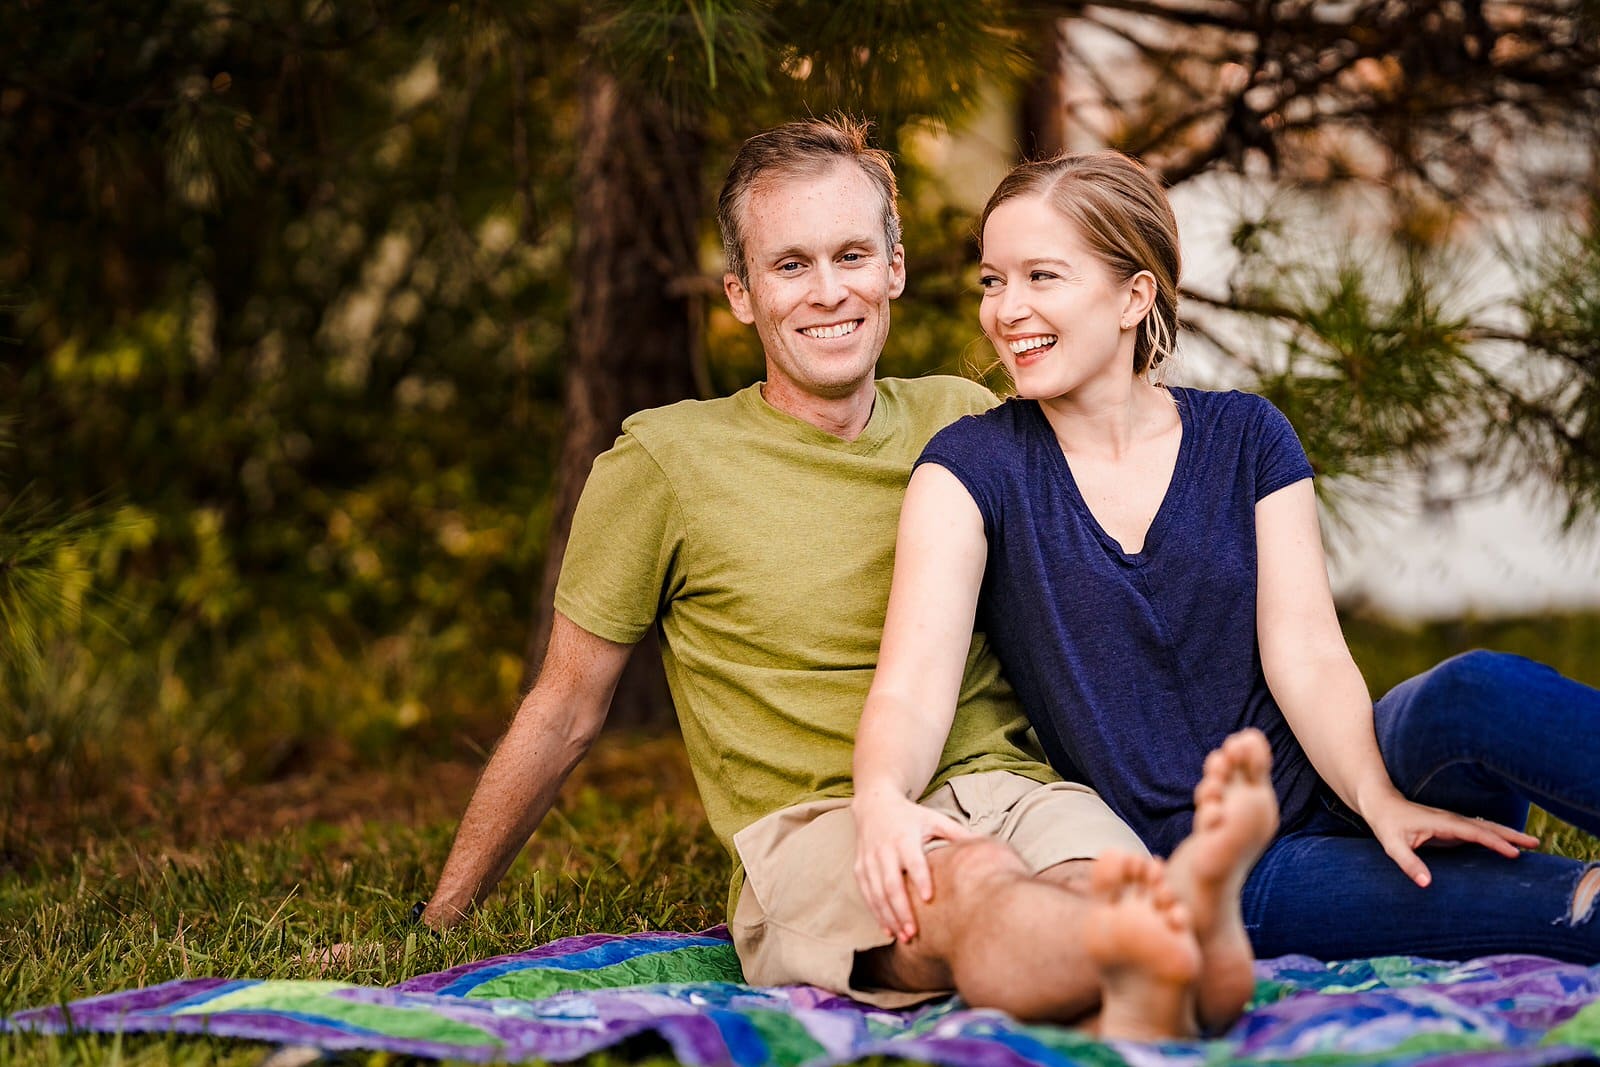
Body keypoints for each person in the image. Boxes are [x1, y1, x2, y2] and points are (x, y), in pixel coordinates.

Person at [420, 117, 1274, 1039]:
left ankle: (1149, 960)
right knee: (971, 886)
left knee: (1083, 874)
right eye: (790, 265)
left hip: (1015, 786)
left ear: (895, 269)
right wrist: (442, 918)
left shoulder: (969, 420)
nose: (829, 291)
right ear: (741, 293)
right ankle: (1155, 953)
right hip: (821, 828)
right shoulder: (664, 462)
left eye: (853, 255)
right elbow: (565, 708)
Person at [853, 149, 1600, 968]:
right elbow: (912, 686)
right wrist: (882, 797)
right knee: (1573, 909)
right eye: (993, 280)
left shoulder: (1246, 436)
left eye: (1042, 276)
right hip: (1231, 866)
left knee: (1472, 691)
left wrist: (1377, 795)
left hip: (1342, 764)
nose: (1007, 309)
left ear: (1135, 294)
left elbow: (1307, 650)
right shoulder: (970, 469)